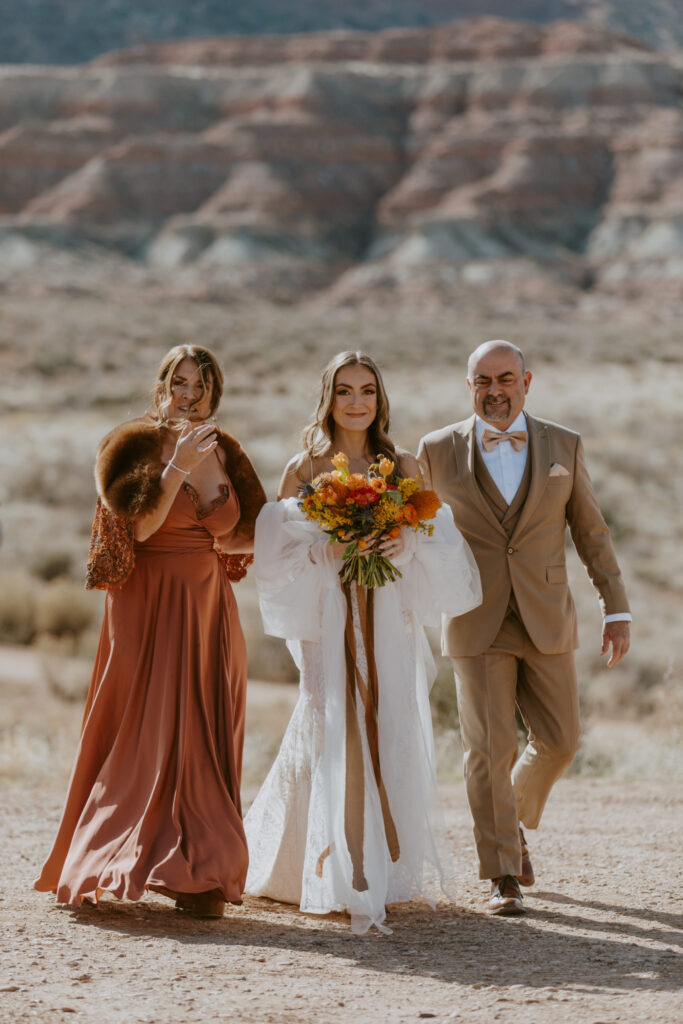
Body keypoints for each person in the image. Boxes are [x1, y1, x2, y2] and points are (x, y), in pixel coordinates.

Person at [244, 351, 482, 934]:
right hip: (329, 616)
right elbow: (274, 554)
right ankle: (315, 866)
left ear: (380, 398)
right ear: (328, 397)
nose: (357, 401)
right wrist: (319, 549)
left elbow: (432, 531)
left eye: (367, 391)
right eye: (346, 390)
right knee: (331, 721)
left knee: (389, 718)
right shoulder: (305, 467)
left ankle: (383, 870)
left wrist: (403, 544)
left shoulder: (399, 463)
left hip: (386, 613)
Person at [35, 345, 266, 918]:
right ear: (162, 385)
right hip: (146, 603)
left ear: (214, 393)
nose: (189, 395)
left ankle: (202, 871)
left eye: (201, 386)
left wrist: (320, 528)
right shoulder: (130, 444)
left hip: (211, 606)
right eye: (180, 383)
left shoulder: (227, 448)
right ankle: (111, 857)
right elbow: (138, 529)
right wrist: (178, 466)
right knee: (143, 727)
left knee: (203, 731)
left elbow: (245, 534)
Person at [418, 340, 631, 915]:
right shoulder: (436, 450)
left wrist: (616, 606)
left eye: (505, 378)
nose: (494, 390)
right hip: (474, 616)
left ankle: (508, 819)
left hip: (546, 613)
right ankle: (502, 872)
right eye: (483, 380)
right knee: (489, 747)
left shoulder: (564, 444)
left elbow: (591, 531)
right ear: (469, 387)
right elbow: (414, 534)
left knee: (561, 742)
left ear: (527, 381)